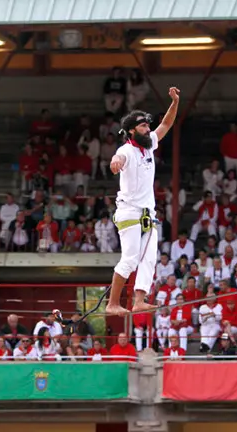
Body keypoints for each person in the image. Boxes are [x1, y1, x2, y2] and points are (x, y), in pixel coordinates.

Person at [105, 87, 180, 316]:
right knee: (129, 259)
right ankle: (112, 304)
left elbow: (166, 125)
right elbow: (117, 158)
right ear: (131, 131)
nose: (149, 129)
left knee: (148, 259)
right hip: (129, 212)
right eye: (143, 126)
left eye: (148, 126)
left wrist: (175, 102)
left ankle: (139, 300)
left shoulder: (150, 145)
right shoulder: (126, 150)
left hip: (148, 213)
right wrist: (114, 162)